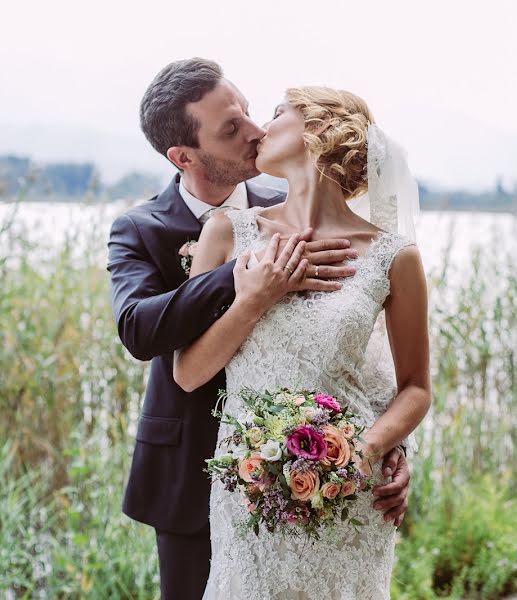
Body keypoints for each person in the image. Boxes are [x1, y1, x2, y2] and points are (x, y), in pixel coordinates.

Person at [107, 58, 413, 600]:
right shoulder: (144, 229)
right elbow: (137, 328)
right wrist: (247, 281)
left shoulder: (306, 215)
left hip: (325, 465)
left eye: (250, 111)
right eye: (231, 128)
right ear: (184, 155)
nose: (254, 131)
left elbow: (368, 363)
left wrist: (383, 450)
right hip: (190, 470)